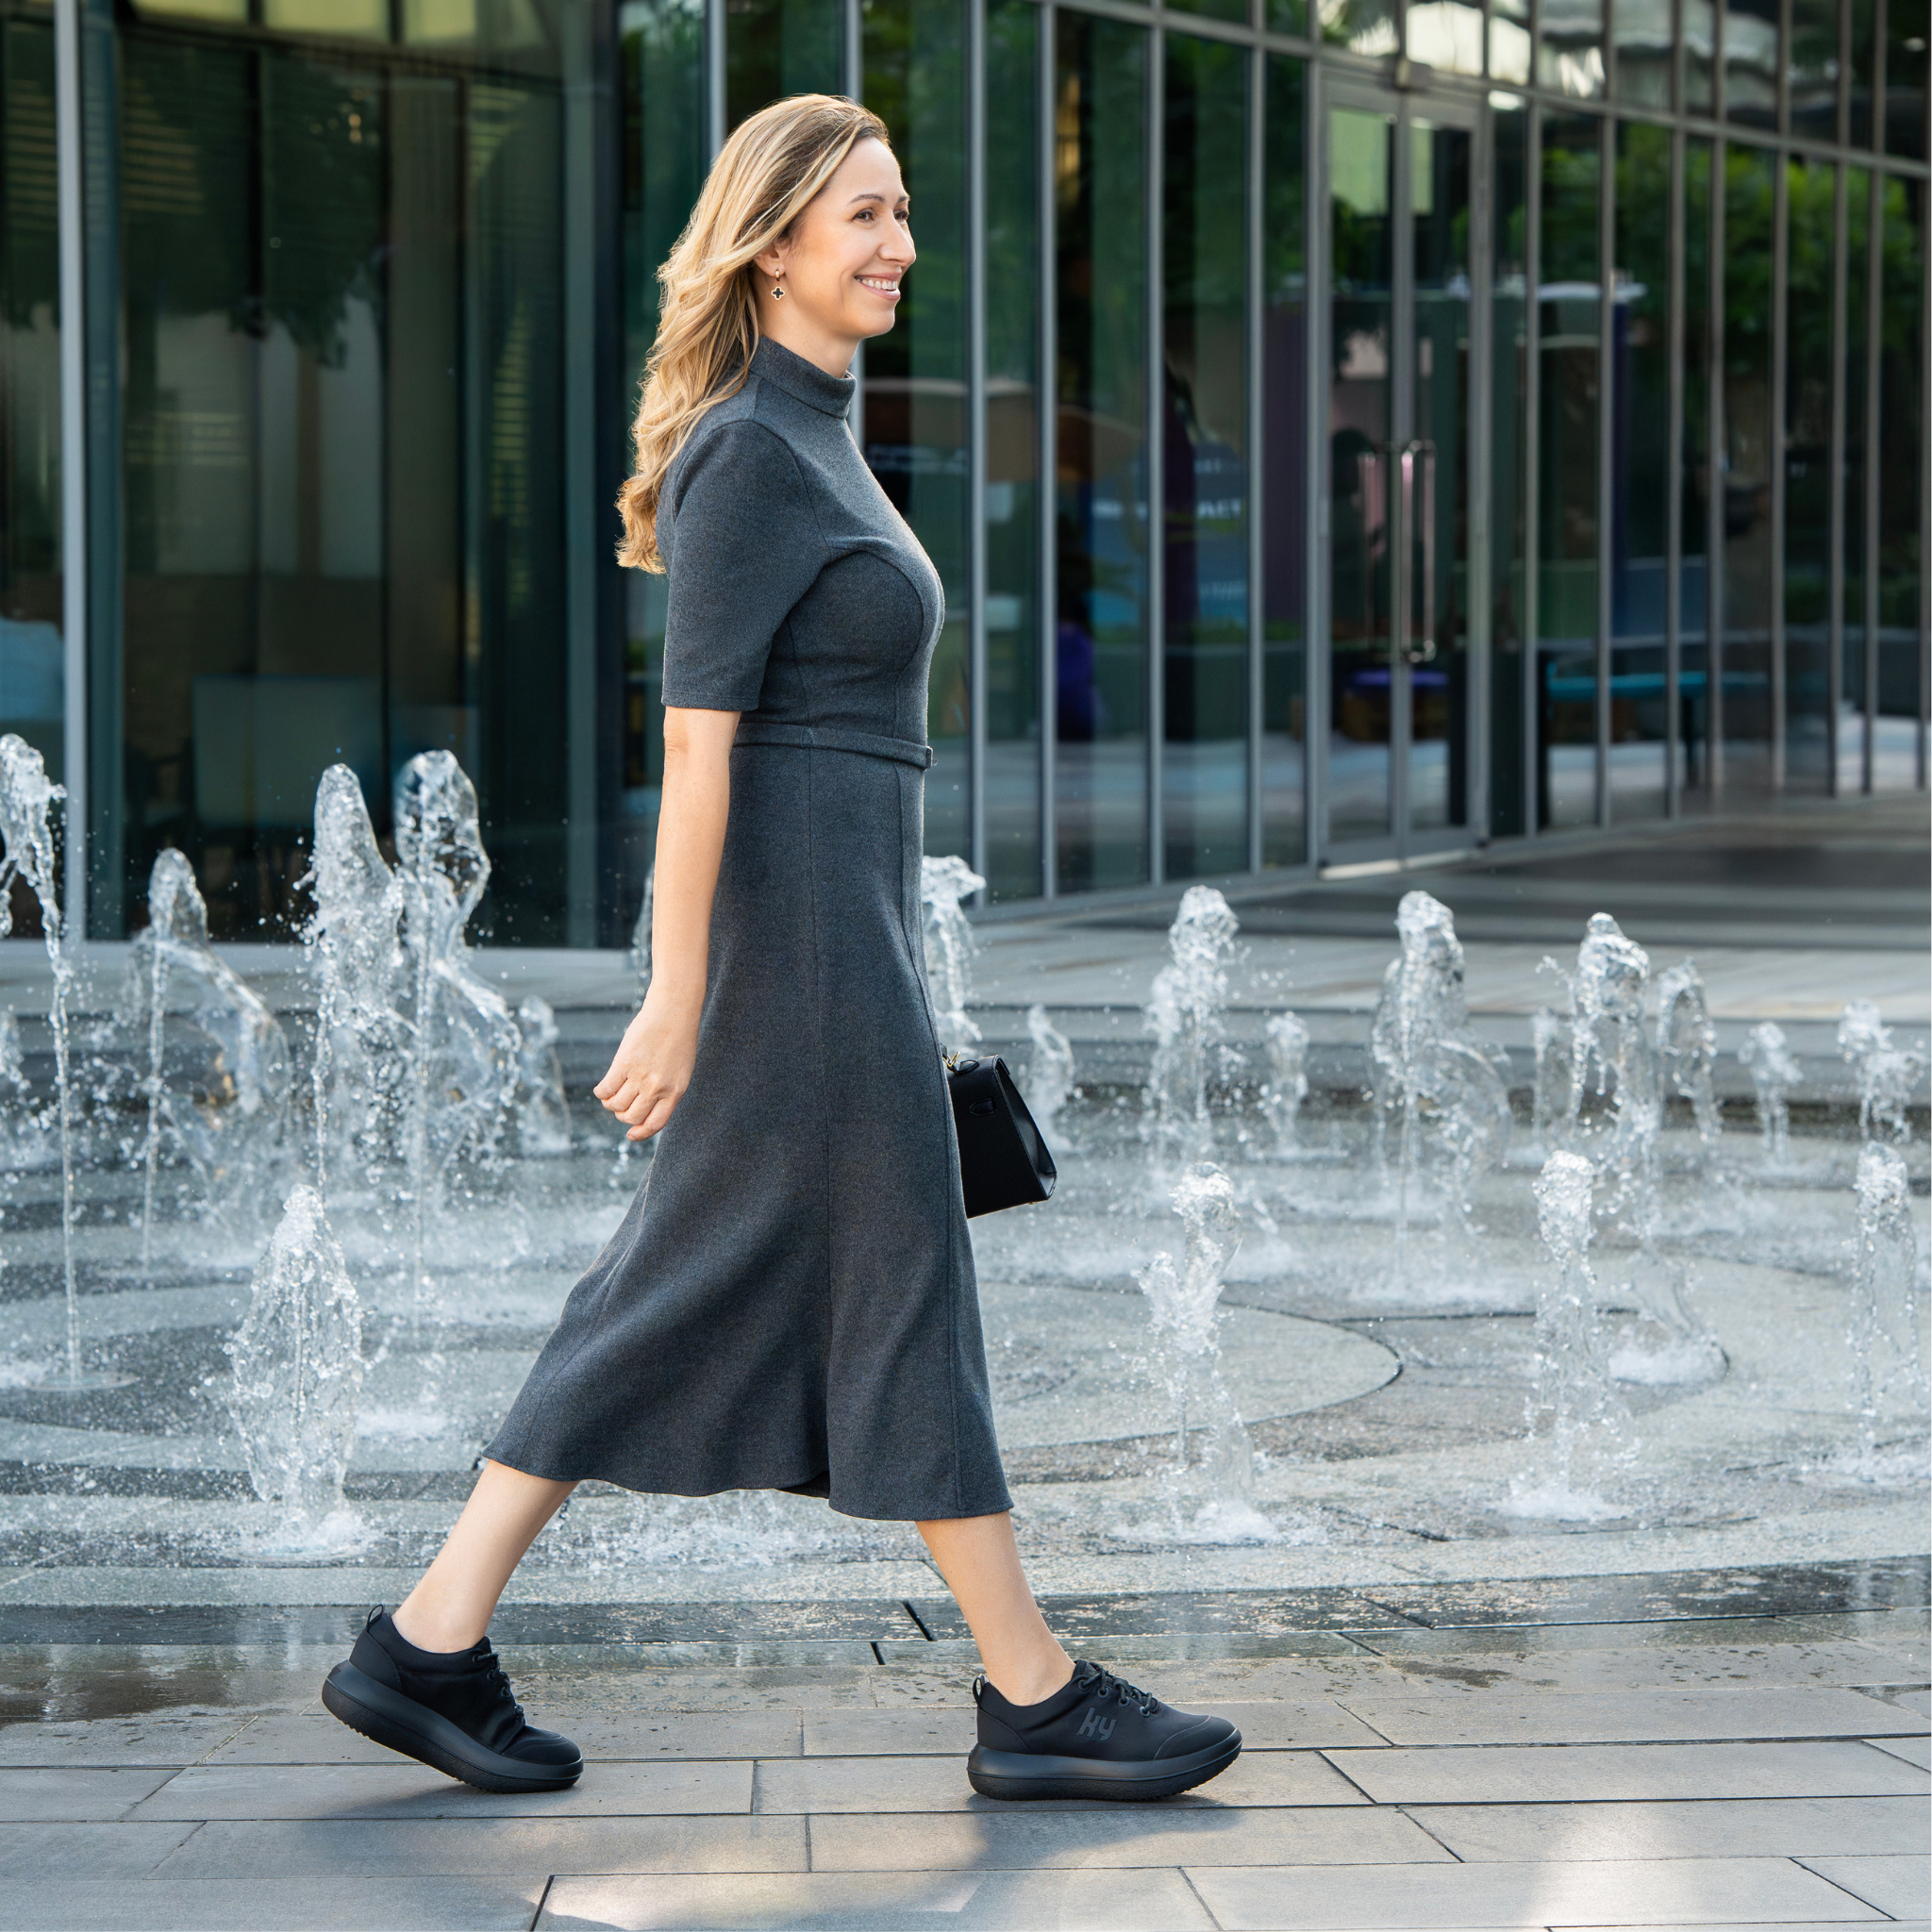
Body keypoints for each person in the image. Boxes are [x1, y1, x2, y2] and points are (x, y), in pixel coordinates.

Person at [320, 92, 1241, 1807]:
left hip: (846, 943)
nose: (899, 244)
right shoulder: (752, 450)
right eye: (866, 218)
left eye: (900, 212)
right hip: (793, 961)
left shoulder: (817, 435)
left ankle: (430, 1640)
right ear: (771, 244)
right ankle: (1030, 1696)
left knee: (698, 1289)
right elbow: (696, 744)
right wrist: (677, 994)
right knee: (878, 1291)